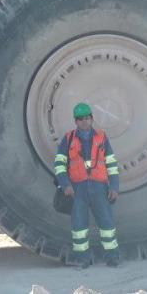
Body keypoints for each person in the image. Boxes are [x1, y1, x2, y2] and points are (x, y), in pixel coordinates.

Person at [53, 102, 120, 268]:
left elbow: (111, 163)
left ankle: (112, 257)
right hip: (77, 189)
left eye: (87, 118)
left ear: (92, 118)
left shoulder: (101, 137)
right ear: (75, 121)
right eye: (80, 119)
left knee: (106, 223)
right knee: (79, 226)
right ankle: (82, 259)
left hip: (99, 187)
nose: (84, 121)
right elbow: (59, 164)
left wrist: (114, 187)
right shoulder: (68, 139)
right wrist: (65, 184)